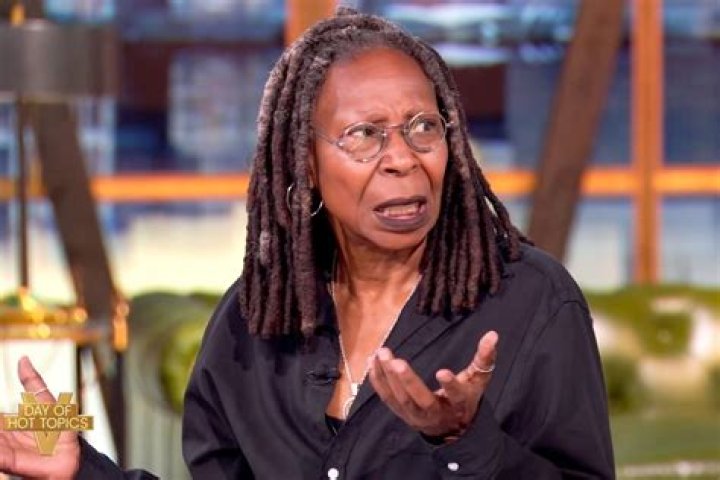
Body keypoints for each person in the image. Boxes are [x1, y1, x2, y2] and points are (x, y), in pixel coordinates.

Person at [0, 7, 614, 479]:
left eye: (424, 127)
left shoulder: (531, 300)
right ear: (305, 164)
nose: (403, 157)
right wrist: (82, 471)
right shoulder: (254, 320)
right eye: (365, 134)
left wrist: (465, 442)